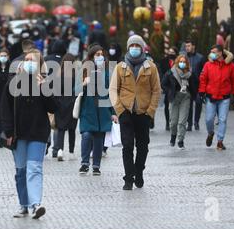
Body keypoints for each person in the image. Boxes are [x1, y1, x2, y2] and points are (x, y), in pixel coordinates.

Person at [1, 49, 57, 220]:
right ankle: (23, 204)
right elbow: (5, 109)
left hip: (38, 133)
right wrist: (8, 131)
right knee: (21, 171)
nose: (29, 63)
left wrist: (43, 88)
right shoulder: (14, 83)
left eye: (33, 60)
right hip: (18, 134)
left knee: (34, 169)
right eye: (26, 59)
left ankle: (36, 205)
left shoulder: (46, 83)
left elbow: (53, 107)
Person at [110, 35, 161, 191]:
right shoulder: (120, 67)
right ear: (128, 47)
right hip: (126, 112)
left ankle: (139, 171)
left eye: (137, 46)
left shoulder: (151, 67)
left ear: (142, 48)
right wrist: (119, 109)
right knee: (127, 146)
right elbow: (113, 89)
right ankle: (128, 178)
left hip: (143, 113)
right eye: (131, 45)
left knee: (143, 146)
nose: (134, 48)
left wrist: (150, 111)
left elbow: (156, 91)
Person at [78, 45, 117, 176]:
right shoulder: (84, 70)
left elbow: (111, 93)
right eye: (97, 54)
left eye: (101, 54)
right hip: (87, 110)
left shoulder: (107, 72)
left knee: (99, 139)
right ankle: (84, 163)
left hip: (102, 111)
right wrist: (83, 84)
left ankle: (96, 166)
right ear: (91, 57)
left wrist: (113, 113)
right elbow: (74, 90)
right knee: (87, 135)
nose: (100, 57)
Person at [199, 45, 234, 150]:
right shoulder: (208, 65)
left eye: (214, 51)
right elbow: (203, 78)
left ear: (221, 53)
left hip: (224, 97)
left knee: (223, 119)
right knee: (209, 119)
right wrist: (201, 92)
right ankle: (210, 133)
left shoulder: (231, 66)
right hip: (211, 96)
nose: (211, 53)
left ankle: (220, 141)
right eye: (211, 51)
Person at [162, 55, 198, 149]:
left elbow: (195, 85)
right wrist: (169, 92)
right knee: (173, 122)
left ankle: (180, 140)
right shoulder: (171, 72)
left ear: (187, 63)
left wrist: (194, 95)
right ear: (177, 62)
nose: (182, 63)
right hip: (174, 98)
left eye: (184, 62)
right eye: (180, 61)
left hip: (185, 97)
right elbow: (163, 84)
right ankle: (173, 136)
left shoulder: (190, 74)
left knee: (182, 121)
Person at [53, 54, 78, 161]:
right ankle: (71, 152)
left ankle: (60, 150)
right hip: (72, 105)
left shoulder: (58, 75)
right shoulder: (75, 76)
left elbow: (54, 91)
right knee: (72, 129)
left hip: (60, 105)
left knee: (61, 128)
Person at [184, 40, 206, 131]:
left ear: (193, 46)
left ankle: (196, 121)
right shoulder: (184, 58)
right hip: (187, 84)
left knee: (198, 103)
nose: (187, 48)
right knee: (188, 105)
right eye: (186, 46)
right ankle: (189, 123)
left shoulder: (200, 58)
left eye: (189, 46)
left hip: (197, 84)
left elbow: (204, 71)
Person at [159, 47, 178, 131]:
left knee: (176, 105)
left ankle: (174, 121)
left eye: (172, 52)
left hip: (177, 86)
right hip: (167, 86)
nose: (170, 53)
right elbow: (161, 73)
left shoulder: (179, 61)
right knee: (167, 105)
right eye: (169, 52)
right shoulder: (164, 61)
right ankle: (167, 122)